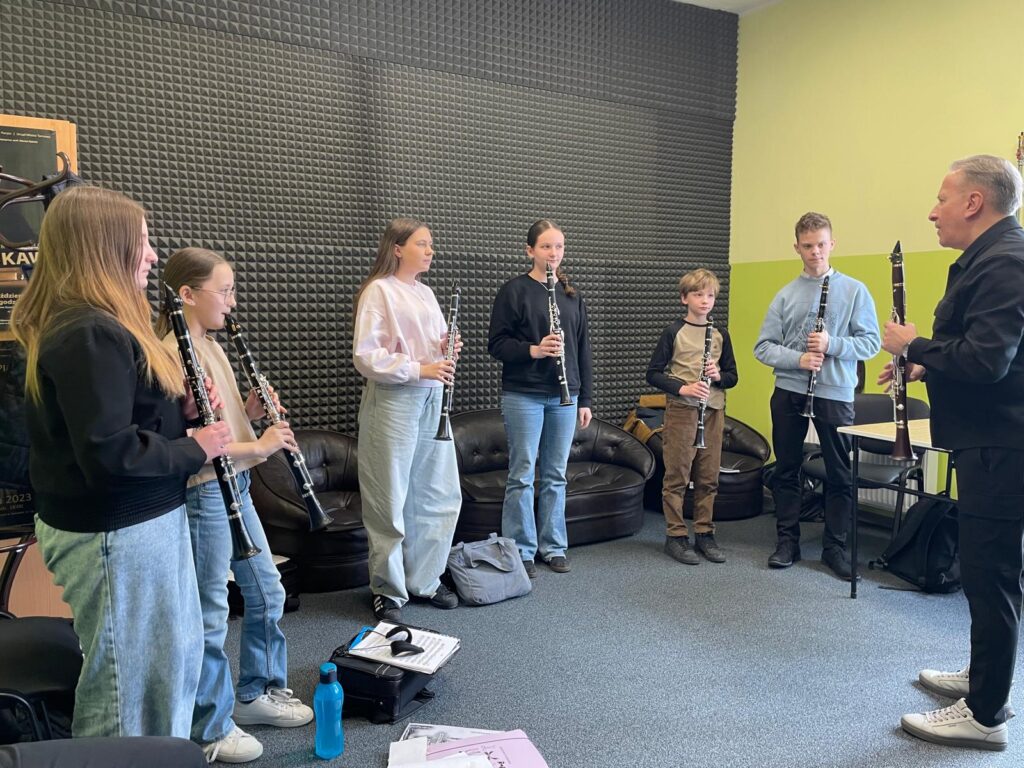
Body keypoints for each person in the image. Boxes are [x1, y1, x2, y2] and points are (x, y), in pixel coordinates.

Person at [8, 186, 232, 738]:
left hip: (137, 525)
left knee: (165, 672)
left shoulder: (97, 325)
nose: (153, 255)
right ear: (106, 247)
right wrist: (197, 447)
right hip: (117, 533)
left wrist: (181, 413)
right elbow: (110, 454)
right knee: (127, 692)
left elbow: (121, 425)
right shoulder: (89, 331)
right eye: (142, 242)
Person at [882, 155, 1024, 751]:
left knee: (991, 575)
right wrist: (926, 364)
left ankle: (985, 715)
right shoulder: (992, 257)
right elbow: (982, 352)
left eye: (942, 198)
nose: (933, 211)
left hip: (1000, 444)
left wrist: (915, 343)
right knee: (984, 571)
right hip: (989, 440)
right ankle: (983, 678)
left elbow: (986, 362)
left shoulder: (1006, 261)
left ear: (974, 202)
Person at [157, 248, 313, 763]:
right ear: (187, 295)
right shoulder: (174, 353)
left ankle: (255, 693)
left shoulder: (211, 345)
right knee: (210, 611)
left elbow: (222, 423)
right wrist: (263, 445)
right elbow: (197, 444)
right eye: (223, 291)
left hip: (236, 487)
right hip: (206, 491)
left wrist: (250, 410)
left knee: (268, 591)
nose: (232, 301)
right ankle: (211, 726)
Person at [754, 212, 880, 579]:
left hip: (835, 392)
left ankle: (834, 549)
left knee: (840, 473)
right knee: (787, 468)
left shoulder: (854, 290)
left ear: (832, 244)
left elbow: (871, 343)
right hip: (790, 390)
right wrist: (798, 359)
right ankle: (787, 542)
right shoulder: (786, 294)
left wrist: (831, 344)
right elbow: (763, 347)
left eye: (821, 244)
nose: (815, 252)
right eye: (808, 246)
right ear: (797, 247)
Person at [353, 218, 462, 622]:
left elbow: (432, 349)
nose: (430, 250)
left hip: (432, 397)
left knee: (438, 494)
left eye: (431, 244)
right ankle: (387, 589)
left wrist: (446, 347)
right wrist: (420, 368)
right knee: (389, 496)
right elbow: (366, 356)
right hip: (395, 399)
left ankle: (425, 579)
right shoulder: (378, 291)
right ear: (397, 249)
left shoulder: (427, 293)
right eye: (422, 243)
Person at [488, 219, 593, 577]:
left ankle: (554, 546)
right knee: (521, 474)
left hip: (565, 395)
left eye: (559, 246)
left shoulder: (571, 295)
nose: (553, 253)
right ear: (530, 250)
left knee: (555, 474)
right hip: (524, 394)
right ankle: (521, 549)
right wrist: (534, 350)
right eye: (546, 246)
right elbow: (496, 344)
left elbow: (582, 349)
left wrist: (585, 399)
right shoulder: (514, 291)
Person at [646, 268, 738, 565]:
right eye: (698, 294)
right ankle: (675, 535)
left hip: (713, 411)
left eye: (710, 295)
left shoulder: (720, 334)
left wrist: (718, 376)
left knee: (708, 477)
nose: (705, 300)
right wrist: (683, 387)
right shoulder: (674, 332)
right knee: (677, 476)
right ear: (684, 298)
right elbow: (653, 374)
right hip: (683, 411)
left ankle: (704, 533)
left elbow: (733, 377)